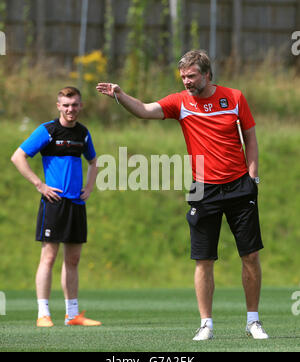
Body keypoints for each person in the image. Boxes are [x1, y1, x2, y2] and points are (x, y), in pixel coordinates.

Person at [96, 50, 268, 340]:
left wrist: (253, 178)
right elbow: (144, 110)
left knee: (250, 255)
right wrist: (119, 94)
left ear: (207, 74)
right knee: (204, 259)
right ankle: (206, 324)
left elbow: (250, 137)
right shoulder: (179, 102)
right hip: (203, 188)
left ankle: (253, 321)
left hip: (240, 186)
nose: (186, 81)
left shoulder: (235, 98)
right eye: (183, 77)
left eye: (191, 76)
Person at [11, 87, 101, 327]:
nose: (71, 109)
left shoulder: (82, 133)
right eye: (66, 105)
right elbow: (18, 156)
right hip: (54, 203)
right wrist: (40, 185)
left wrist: (89, 187)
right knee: (48, 257)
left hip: (76, 203)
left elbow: (94, 161)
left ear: (81, 106)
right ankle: (43, 314)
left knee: (73, 259)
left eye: (75, 105)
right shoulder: (47, 131)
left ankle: (72, 315)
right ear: (58, 106)